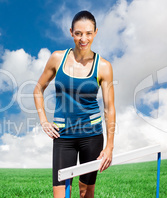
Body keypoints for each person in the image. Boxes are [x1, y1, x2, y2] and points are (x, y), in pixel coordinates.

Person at [33, 10, 116, 198]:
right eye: (78, 33)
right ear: (71, 32)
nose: (83, 38)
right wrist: (44, 121)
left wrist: (110, 146)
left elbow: (109, 108)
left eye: (88, 33)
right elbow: (38, 89)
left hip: (92, 137)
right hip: (63, 138)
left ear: (95, 32)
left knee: (86, 192)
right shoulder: (57, 58)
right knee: (60, 194)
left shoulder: (104, 66)